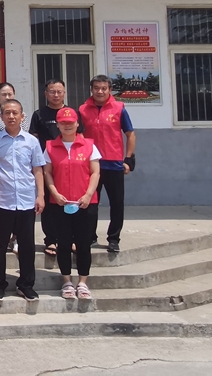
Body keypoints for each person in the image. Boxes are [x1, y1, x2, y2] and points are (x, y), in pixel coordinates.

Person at [0, 99, 47, 300]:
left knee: (27, 246)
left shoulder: (31, 141)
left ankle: (26, 285)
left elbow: (38, 169)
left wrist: (41, 195)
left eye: (15, 113)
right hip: (1, 200)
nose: (11, 116)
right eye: (7, 113)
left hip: (26, 200)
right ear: (1, 117)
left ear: (22, 116)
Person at [42, 107, 101, 300]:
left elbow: (95, 172)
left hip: (85, 203)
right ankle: (66, 281)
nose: (67, 126)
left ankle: (83, 282)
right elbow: (47, 173)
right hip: (60, 203)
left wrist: (88, 195)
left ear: (77, 124)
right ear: (58, 125)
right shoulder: (50, 147)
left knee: (83, 244)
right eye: (63, 123)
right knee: (64, 243)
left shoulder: (89, 145)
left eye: (70, 123)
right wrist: (55, 193)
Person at [78, 75, 137, 254]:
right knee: (89, 203)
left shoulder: (119, 108)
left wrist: (128, 159)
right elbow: (79, 135)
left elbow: (130, 134)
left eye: (104, 88)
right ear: (91, 89)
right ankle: (89, 237)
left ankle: (113, 239)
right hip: (91, 165)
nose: (100, 91)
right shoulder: (83, 109)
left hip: (114, 164)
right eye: (96, 88)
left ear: (110, 90)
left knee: (116, 204)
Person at [29, 79, 84, 257]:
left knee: (70, 199)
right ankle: (51, 239)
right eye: (52, 91)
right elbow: (33, 139)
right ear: (46, 94)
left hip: (69, 163)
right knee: (49, 202)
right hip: (46, 163)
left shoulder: (72, 113)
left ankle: (71, 238)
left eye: (59, 91)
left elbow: (81, 137)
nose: (56, 95)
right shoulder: (39, 114)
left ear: (64, 93)